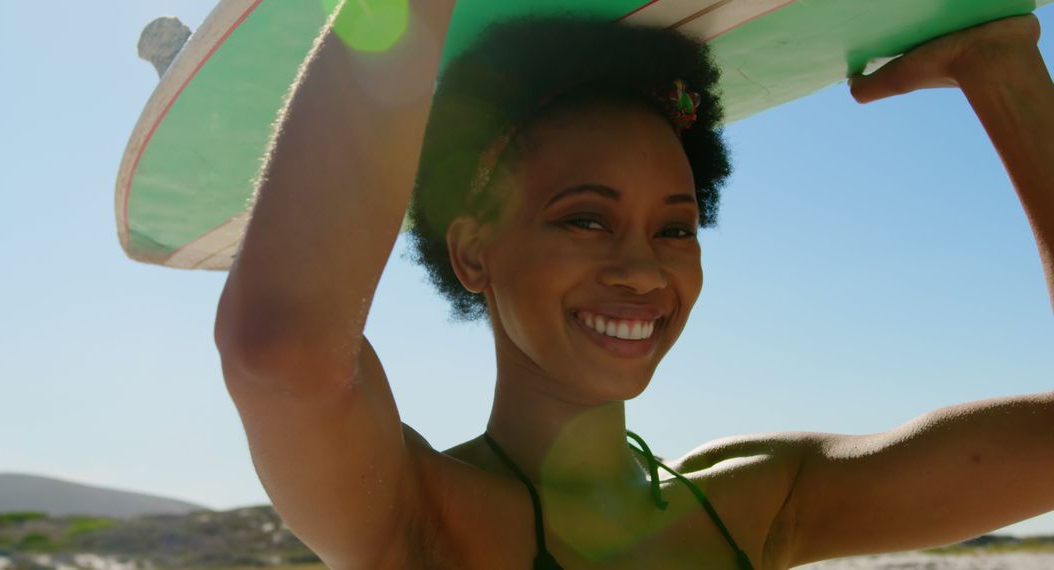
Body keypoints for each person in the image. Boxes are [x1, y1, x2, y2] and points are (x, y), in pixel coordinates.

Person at [213, 1, 1054, 567]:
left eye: (676, 228)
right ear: (472, 253)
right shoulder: (427, 521)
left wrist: (1006, 78)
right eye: (585, 218)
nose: (644, 269)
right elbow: (284, 350)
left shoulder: (764, 500)